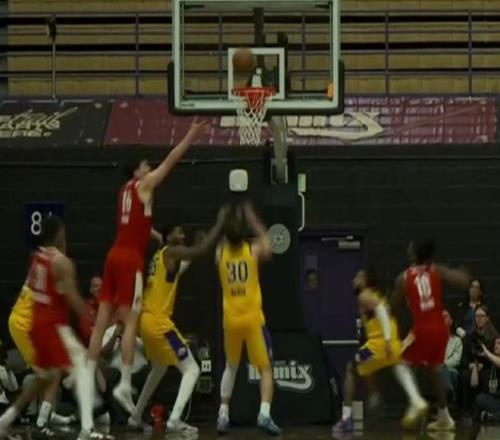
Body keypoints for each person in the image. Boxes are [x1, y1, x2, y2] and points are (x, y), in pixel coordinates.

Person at [86, 118, 209, 423]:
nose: (148, 167)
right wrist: (191, 135)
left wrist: (154, 235)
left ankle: (87, 373)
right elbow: (170, 161)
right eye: (144, 165)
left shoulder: (124, 191)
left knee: (101, 321)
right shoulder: (145, 185)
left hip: (114, 254)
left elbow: (134, 225)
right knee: (130, 322)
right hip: (131, 263)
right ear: (137, 172)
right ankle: (125, 384)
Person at [0, 216, 107, 440]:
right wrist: (91, 317)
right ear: (59, 234)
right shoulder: (61, 262)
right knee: (84, 367)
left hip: (37, 324)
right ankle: (87, 429)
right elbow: (73, 298)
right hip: (52, 326)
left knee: (44, 377)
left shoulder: (37, 257)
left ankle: (5, 421)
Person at [129, 210, 227, 435]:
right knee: (192, 369)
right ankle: (174, 420)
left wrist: (193, 247)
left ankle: (135, 416)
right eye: (179, 233)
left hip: (146, 321)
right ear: (169, 235)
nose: (182, 236)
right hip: (158, 323)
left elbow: (185, 264)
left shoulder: (161, 256)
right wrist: (219, 224)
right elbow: (199, 252)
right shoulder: (171, 251)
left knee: (159, 368)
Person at [332, 269, 427, 434]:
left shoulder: (364, 295)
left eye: (358, 277)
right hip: (392, 343)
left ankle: (346, 419)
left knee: (351, 368)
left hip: (379, 345)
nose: (354, 280)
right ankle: (415, 399)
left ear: (365, 281)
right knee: (394, 364)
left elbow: (381, 310)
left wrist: (387, 340)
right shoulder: (376, 295)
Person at [391, 238, 470, 431]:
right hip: (441, 329)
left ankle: (416, 400)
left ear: (414, 253)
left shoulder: (403, 278)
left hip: (422, 329)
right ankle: (445, 417)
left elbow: (392, 307)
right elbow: (460, 279)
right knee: (434, 369)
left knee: (397, 361)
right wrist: (463, 275)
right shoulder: (436, 269)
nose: (408, 246)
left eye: (411, 245)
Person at [215, 202, 281, 436]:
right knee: (265, 369)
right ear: (244, 235)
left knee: (231, 366)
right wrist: (252, 218)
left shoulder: (220, 253)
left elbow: (222, 238)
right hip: (252, 320)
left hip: (230, 320)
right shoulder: (252, 251)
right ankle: (264, 413)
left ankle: (223, 414)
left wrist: (223, 219)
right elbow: (268, 244)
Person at [458, 304, 498, 416]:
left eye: (482, 316)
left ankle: (482, 407)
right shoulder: (469, 337)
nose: (479, 319)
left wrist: (483, 363)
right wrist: (472, 365)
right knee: (464, 376)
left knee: (486, 376)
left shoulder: (494, 337)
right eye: (477, 316)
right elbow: (463, 360)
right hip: (473, 367)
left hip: (489, 368)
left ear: (487, 318)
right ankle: (466, 410)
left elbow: (496, 358)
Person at [472, 337, 500, 422]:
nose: (496, 346)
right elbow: (474, 384)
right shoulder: (488, 364)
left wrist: (486, 351)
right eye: (495, 343)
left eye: (499, 343)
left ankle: (488, 417)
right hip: (492, 400)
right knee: (479, 399)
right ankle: (491, 417)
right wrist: (476, 361)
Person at [442, 310, 463, 396]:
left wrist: (442, 365)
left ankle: (448, 394)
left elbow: (456, 361)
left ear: (451, 321)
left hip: (450, 370)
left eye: (445, 317)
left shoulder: (457, 341)